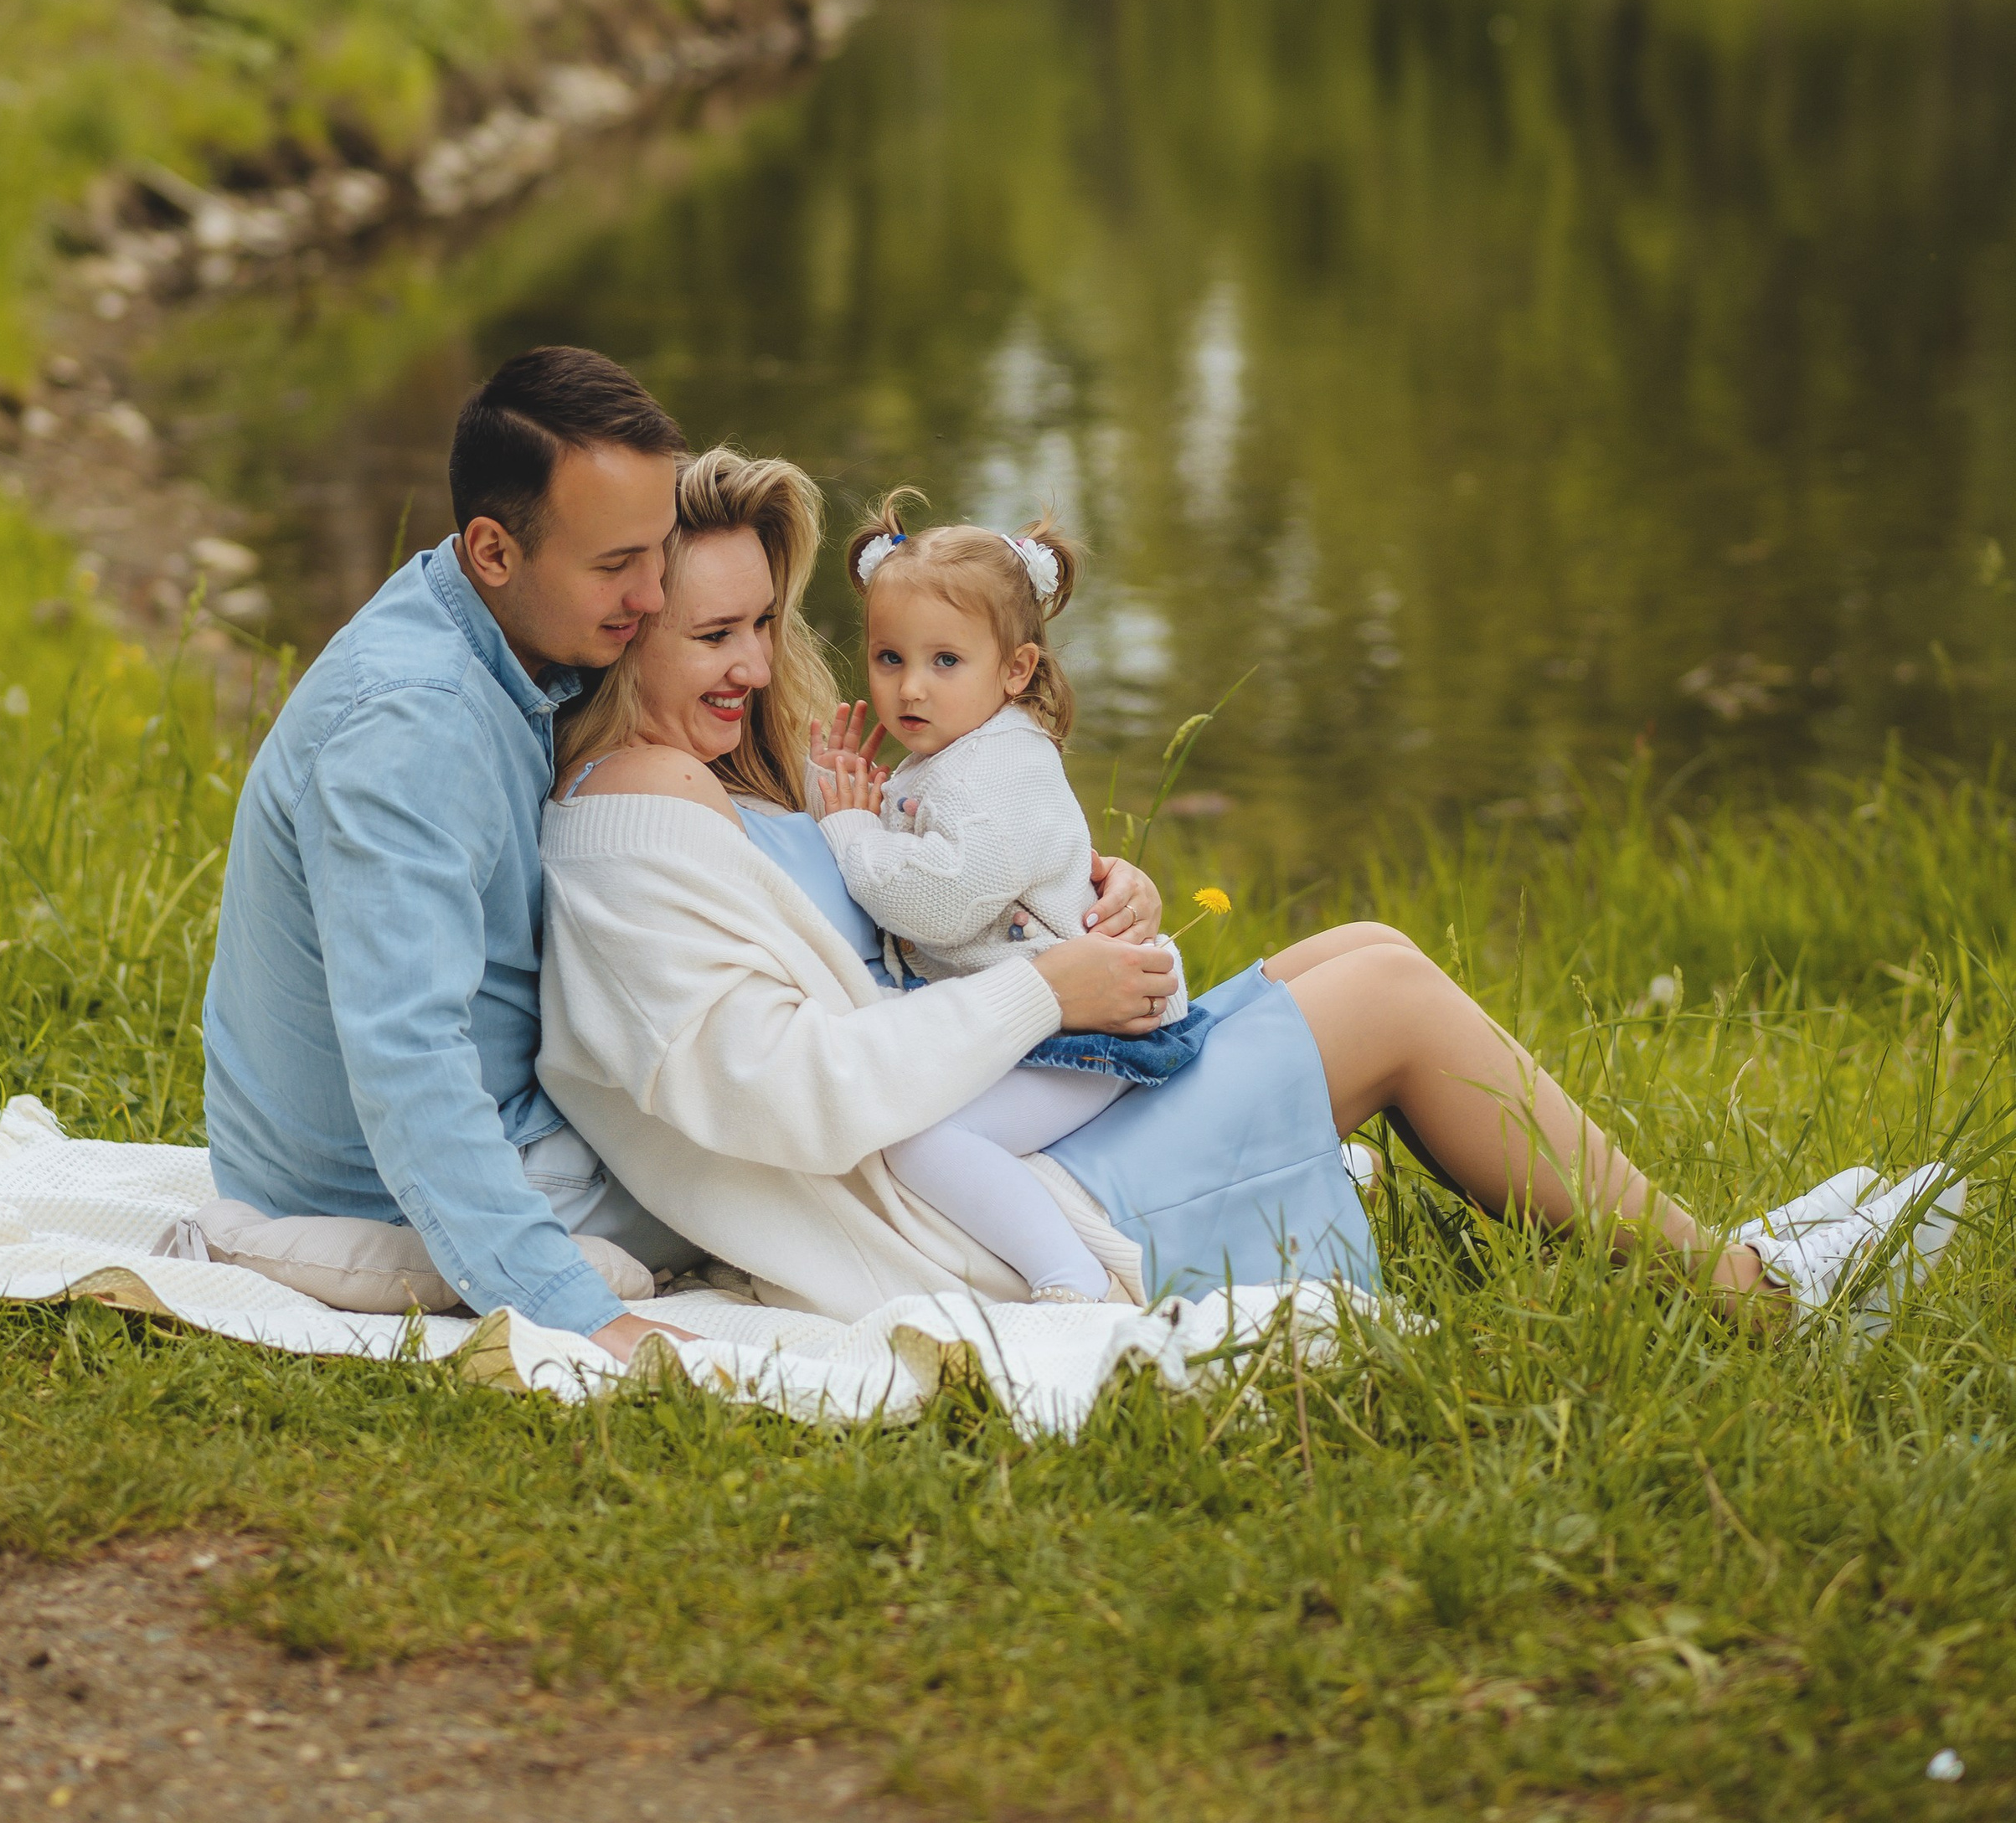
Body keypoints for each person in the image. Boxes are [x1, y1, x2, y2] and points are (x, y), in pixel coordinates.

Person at [539, 449, 1964, 1330]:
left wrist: (1085, 897)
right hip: (982, 1211)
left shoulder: (742, 771)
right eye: (710, 632)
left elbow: (911, 913)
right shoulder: (636, 827)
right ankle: (1757, 1300)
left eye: (762, 626)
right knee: (1392, 997)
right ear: (622, 625)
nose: (750, 666)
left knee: (1363, 940)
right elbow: (786, 1089)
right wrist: (1052, 984)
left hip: (1001, 1107)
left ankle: (1707, 1245)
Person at [202, 347, 691, 1361]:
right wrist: (579, 1313)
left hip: (517, 1108)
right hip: (380, 1186)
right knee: (800, 1164)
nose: (652, 598)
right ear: (494, 551)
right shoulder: (412, 727)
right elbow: (408, 1055)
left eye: (660, 552)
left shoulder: (493, 632)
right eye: (615, 566)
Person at [811, 496, 1207, 1305]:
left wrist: (852, 830)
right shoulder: (966, 751)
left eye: (945, 662)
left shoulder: (1003, 767)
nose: (911, 687)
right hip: (1049, 1013)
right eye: (889, 658)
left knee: (923, 1142)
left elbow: (941, 905)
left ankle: (1071, 1283)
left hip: (1096, 1022)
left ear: (1016, 670)